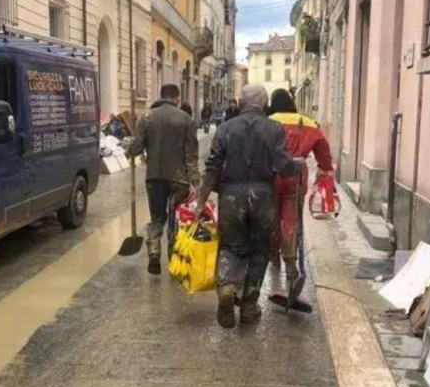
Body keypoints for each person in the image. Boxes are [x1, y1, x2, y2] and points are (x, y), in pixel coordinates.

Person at [196, 84, 300, 328]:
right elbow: (283, 164)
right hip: (264, 196)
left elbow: (212, 168)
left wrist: (201, 201)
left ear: (241, 102)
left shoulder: (225, 129)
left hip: (231, 196)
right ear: (263, 104)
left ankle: (227, 288)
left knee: (230, 247)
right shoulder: (274, 129)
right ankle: (249, 306)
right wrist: (298, 166)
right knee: (260, 250)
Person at [127, 84, 199, 275]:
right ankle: (173, 258)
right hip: (179, 180)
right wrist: (197, 183)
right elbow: (191, 156)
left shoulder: (147, 117)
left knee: (157, 217)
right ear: (177, 98)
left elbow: (136, 147)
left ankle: (153, 250)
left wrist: (130, 150)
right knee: (175, 219)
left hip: (154, 177)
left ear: (161, 96)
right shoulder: (187, 120)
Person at [266, 89, 334, 284]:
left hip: (271, 176)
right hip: (295, 178)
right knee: (291, 218)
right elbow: (323, 149)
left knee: (272, 218)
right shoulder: (307, 123)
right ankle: (290, 260)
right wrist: (324, 168)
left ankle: (273, 253)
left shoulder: (268, 121)